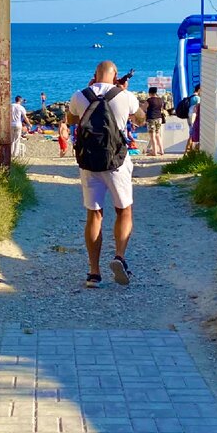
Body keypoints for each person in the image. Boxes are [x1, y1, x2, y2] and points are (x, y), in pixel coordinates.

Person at [68, 60, 146, 288]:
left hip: (89, 161)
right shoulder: (124, 95)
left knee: (94, 214)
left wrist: (87, 93)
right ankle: (119, 256)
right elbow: (140, 119)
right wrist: (125, 92)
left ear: (94, 75)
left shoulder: (79, 95)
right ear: (116, 75)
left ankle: (93, 273)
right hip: (117, 163)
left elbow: (71, 120)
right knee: (124, 210)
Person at [144, 86, 165, 156]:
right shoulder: (160, 100)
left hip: (151, 119)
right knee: (158, 134)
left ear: (150, 93)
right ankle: (161, 150)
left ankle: (154, 151)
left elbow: (144, 108)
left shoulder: (149, 100)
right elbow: (161, 109)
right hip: (159, 118)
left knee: (152, 136)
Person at [182, 84, 201, 154]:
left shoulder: (191, 97)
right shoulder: (197, 98)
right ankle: (188, 149)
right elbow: (197, 109)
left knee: (191, 133)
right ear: (199, 90)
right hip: (194, 117)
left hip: (189, 116)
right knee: (192, 133)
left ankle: (188, 149)